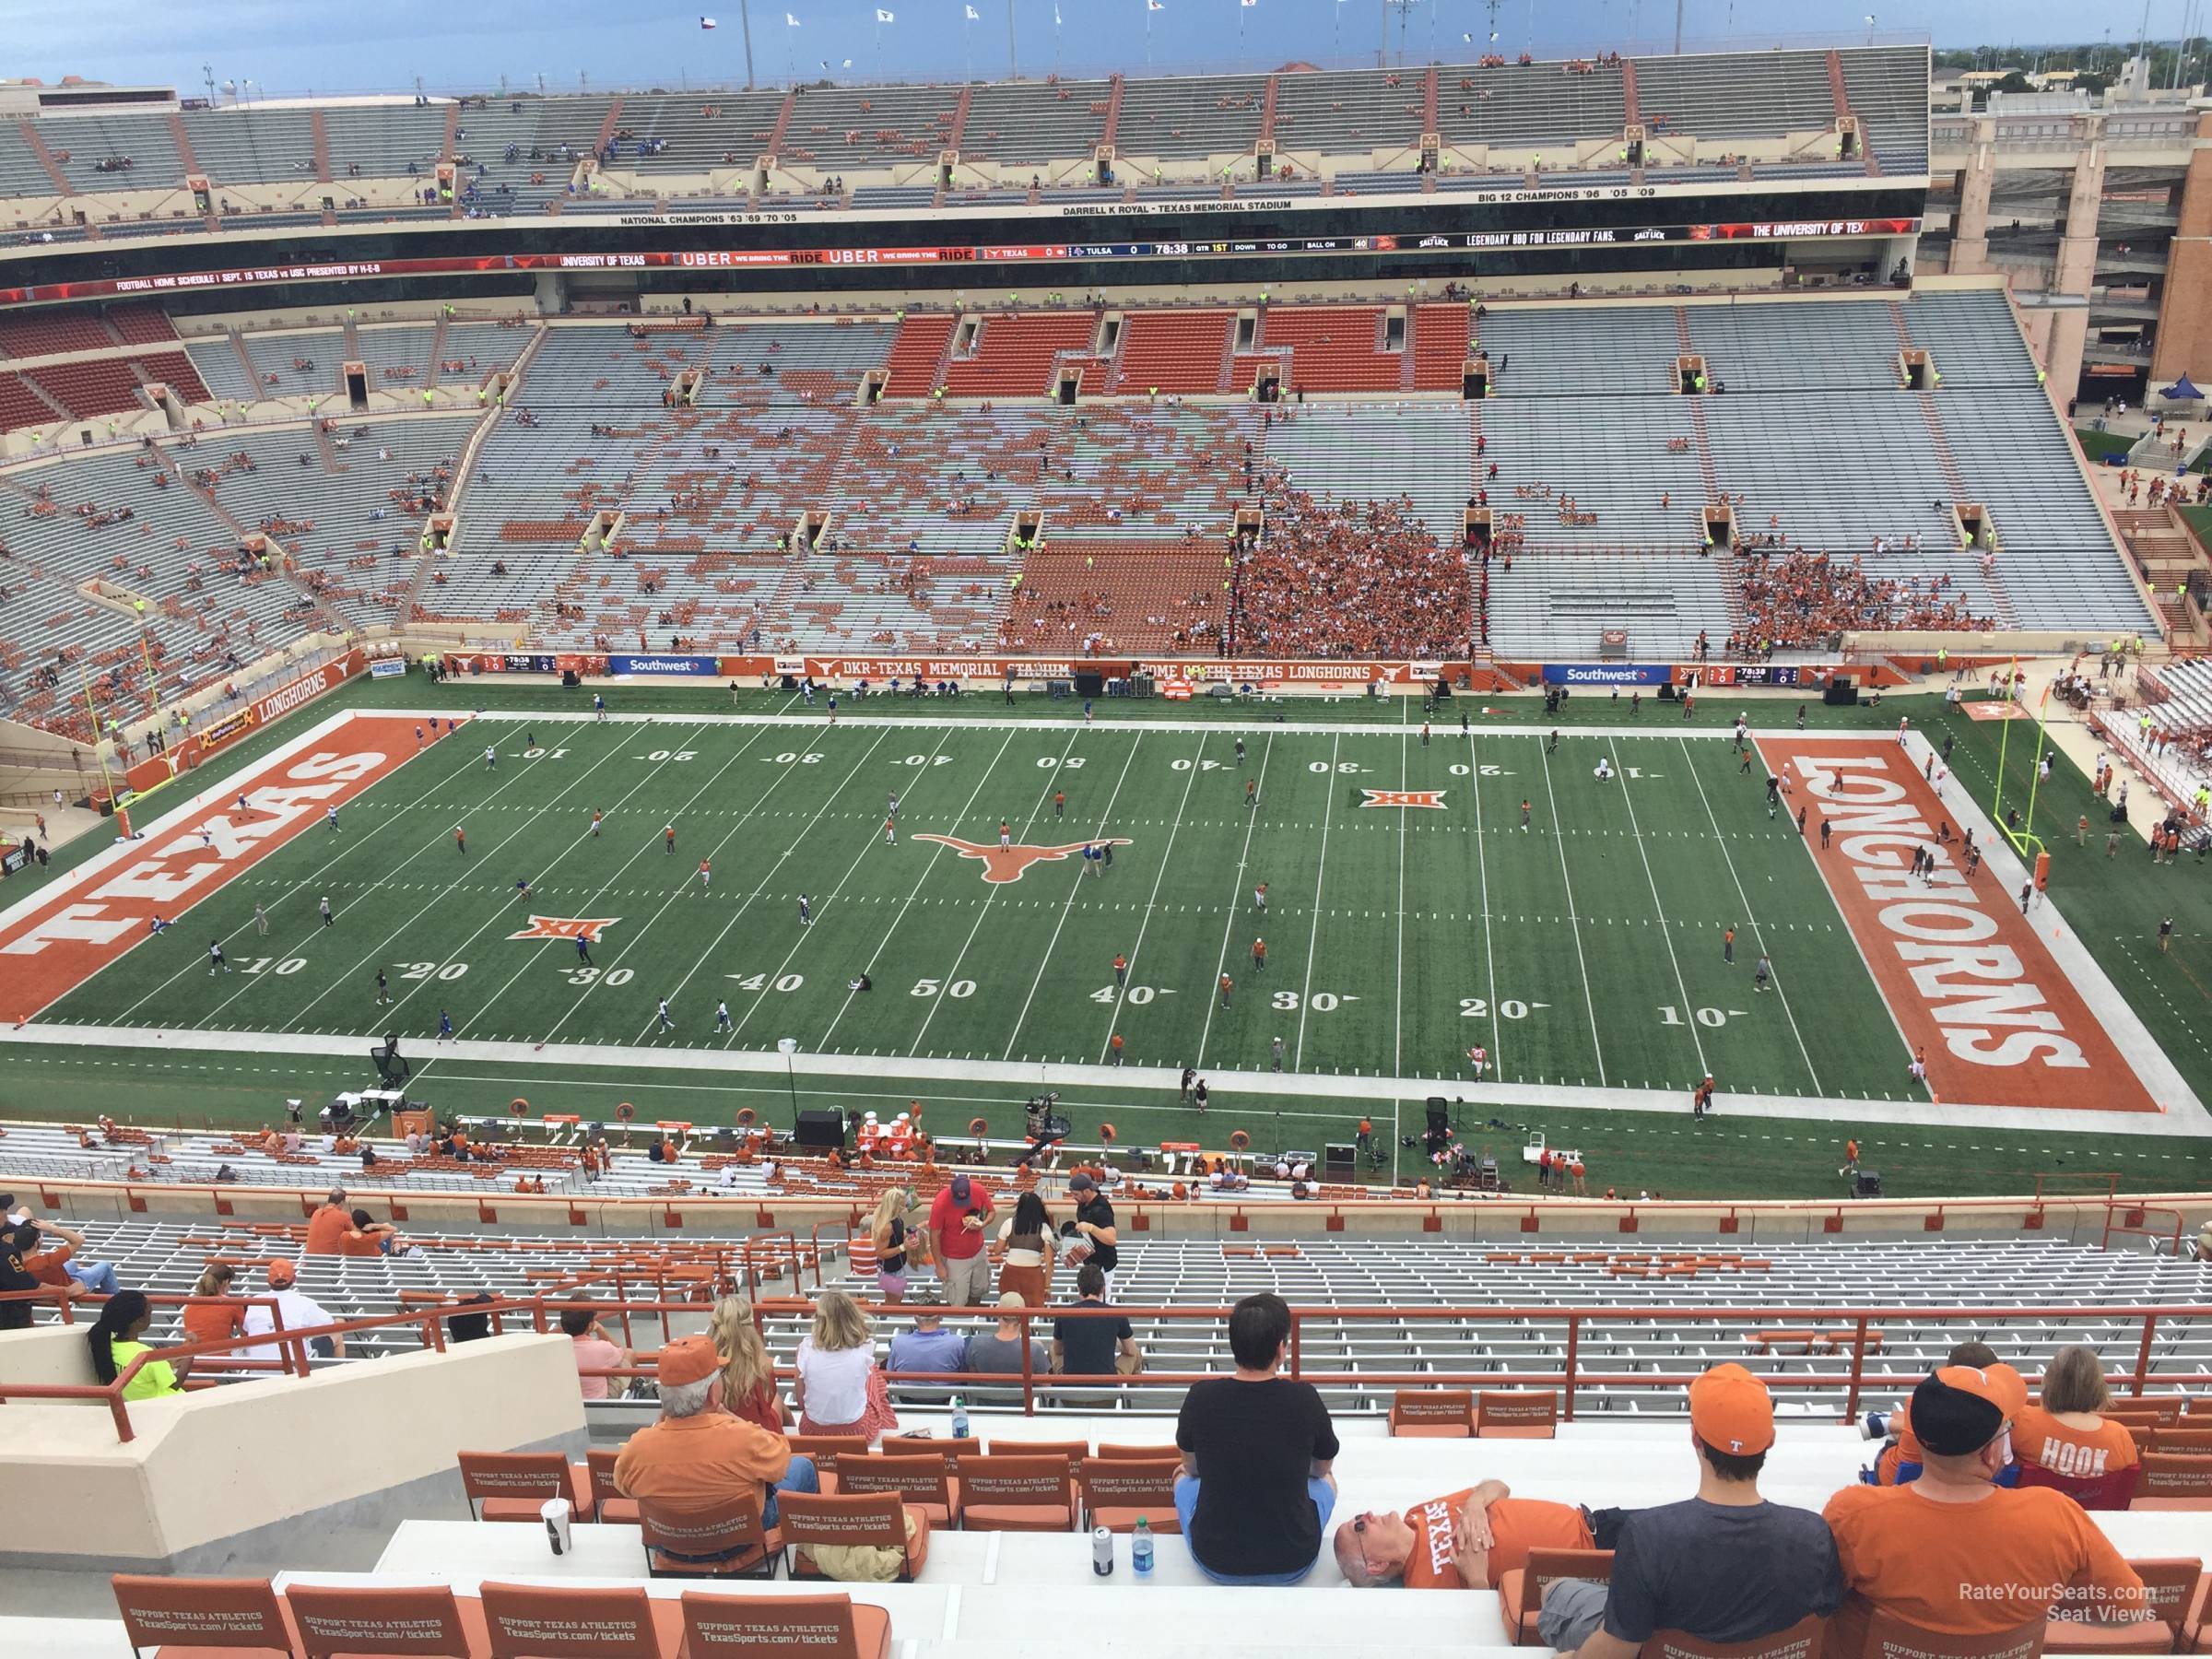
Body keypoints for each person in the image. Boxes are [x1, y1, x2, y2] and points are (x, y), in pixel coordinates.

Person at [1823, 1366, 2151, 1659]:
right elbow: (2128, 1607)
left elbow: (1813, 1604)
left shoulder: (1853, 1514)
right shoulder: (2057, 1515)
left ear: (1917, 1440)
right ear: (1992, 1453)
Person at [1542, 1364, 1842, 1655]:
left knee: (1555, 1591)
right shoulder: (1813, 1533)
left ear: (1695, 1437)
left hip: (1651, 1641)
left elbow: (1621, 1645)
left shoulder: (1649, 1534)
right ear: (1770, 1441)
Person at [1175, 1292, 1338, 1584]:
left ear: (1234, 1346)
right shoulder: (1305, 1398)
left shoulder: (1200, 1396)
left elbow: (1192, 1467)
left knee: (1182, 1479)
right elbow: (1321, 1469)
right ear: (1281, 1349)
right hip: (1294, 1560)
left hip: (1215, 1559)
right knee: (1327, 1482)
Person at [614, 1335, 816, 1551]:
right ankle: (807, 1553)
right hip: (741, 1546)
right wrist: (729, 1415)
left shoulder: (638, 1448)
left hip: (673, 1547)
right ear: (713, 1393)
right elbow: (781, 1462)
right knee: (803, 1467)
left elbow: (624, 1486)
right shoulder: (744, 1439)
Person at [1335, 1478, 1594, 1588]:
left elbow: (1500, 1487)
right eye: (1360, 1526)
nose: (1367, 1515)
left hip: (1588, 1519)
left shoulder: (1416, 1513)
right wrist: (1477, 1580)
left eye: (1359, 1516)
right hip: (1595, 1565)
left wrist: (1475, 1503)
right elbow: (1482, 1631)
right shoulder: (1421, 1588)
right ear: (1377, 1564)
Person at [2012, 1344, 2139, 1500]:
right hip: (2093, 1521)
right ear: (2098, 1388)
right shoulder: (2120, 1438)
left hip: (2034, 1518)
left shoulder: (2022, 1422)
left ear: (2049, 1382)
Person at [793, 1289, 890, 1441]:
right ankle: (889, 1425)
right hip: (859, 1432)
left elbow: (800, 1402)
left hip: (812, 1431)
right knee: (873, 1373)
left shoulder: (804, 1349)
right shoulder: (865, 1348)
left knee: (868, 1370)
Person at [707, 1297, 794, 1432]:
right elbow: (766, 1409)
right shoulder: (762, 1366)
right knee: (777, 1399)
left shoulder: (704, 1366)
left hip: (719, 1430)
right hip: (757, 1432)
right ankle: (793, 1434)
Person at [241, 1259, 346, 1370]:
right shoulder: (305, 1303)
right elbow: (329, 1325)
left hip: (257, 1369)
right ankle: (340, 1376)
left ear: (268, 1280)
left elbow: (246, 1329)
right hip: (295, 1367)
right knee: (338, 1328)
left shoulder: (254, 1303)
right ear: (294, 1279)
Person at [87, 1290, 190, 1402]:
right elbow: (175, 1384)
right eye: (149, 1313)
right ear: (139, 1321)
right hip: (165, 1406)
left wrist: (166, 1364)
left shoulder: (106, 1346)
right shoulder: (147, 1355)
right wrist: (190, 1351)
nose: (151, 1317)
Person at [1051, 1262, 1136, 1387]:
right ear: (1102, 1288)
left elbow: (1057, 1350)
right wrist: (1114, 1342)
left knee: (1051, 1350)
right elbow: (1131, 1350)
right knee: (1136, 1354)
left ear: (1079, 1288)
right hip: (1107, 1392)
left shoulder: (1063, 1314)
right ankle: (1134, 1395)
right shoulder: (1116, 1314)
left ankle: (1050, 1400)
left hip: (1070, 1393)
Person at [927, 1172, 994, 1306]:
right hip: (954, 1258)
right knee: (957, 1300)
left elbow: (991, 1211)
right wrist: (939, 1266)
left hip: (978, 1251)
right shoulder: (941, 1203)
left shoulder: (979, 1191)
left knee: (979, 1290)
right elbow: (934, 1236)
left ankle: (974, 1319)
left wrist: (983, 1224)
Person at [14, 1212, 119, 1295]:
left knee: (71, 1263)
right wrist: (53, 1228)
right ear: (36, 1242)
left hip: (48, 1283)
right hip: (70, 1286)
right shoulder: (49, 1261)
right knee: (106, 1265)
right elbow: (79, 1239)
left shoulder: (14, 1261)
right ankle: (116, 1303)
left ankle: (77, 1269)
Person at [886, 1308, 968, 1401]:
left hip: (907, 1399)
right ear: (941, 1316)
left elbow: (890, 1375)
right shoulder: (957, 1342)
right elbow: (964, 1374)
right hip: (948, 1399)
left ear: (915, 1317)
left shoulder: (898, 1342)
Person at [966, 1292, 1048, 1378]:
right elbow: (1045, 1385)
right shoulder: (1034, 1349)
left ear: (998, 1314)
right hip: (1023, 1391)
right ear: (1023, 1317)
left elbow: (972, 1378)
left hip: (986, 1391)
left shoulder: (977, 1343)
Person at [561, 1304, 632, 1402]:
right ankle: (633, 1392)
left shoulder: (555, 1349)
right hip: (600, 1400)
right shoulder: (602, 1348)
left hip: (568, 1400)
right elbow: (620, 1352)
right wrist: (600, 1330)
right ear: (590, 1325)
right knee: (629, 1354)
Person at [997, 1189, 1056, 1304]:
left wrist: (1011, 1246)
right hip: (1033, 1276)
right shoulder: (1044, 1228)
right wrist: (1047, 1287)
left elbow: (997, 1250)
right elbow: (1049, 1263)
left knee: (1009, 1313)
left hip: (1010, 1273)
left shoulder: (1008, 1223)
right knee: (1033, 1314)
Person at [1066, 1170, 1119, 1296]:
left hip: (1103, 1264)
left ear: (1086, 1191)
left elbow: (1112, 1239)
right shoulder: (1083, 1202)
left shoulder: (1101, 1208)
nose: (1073, 1197)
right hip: (1090, 1261)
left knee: (1101, 1300)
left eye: (1075, 1194)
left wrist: (1091, 1228)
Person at [180, 1261, 246, 1356]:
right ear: (226, 1282)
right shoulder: (231, 1304)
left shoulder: (190, 1306)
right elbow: (245, 1335)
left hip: (189, 1361)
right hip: (218, 1362)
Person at [868, 1188, 912, 1303]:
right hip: (890, 1270)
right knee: (894, 1303)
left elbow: (897, 1236)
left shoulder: (896, 1218)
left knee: (896, 1299)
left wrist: (917, 1227)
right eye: (902, 1206)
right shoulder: (886, 1227)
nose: (904, 1208)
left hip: (898, 1265)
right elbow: (880, 1253)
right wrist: (904, 1247)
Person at [302, 1189, 352, 1255]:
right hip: (332, 1258)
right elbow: (353, 1233)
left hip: (309, 1256)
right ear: (342, 1202)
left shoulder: (316, 1212)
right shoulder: (343, 1216)